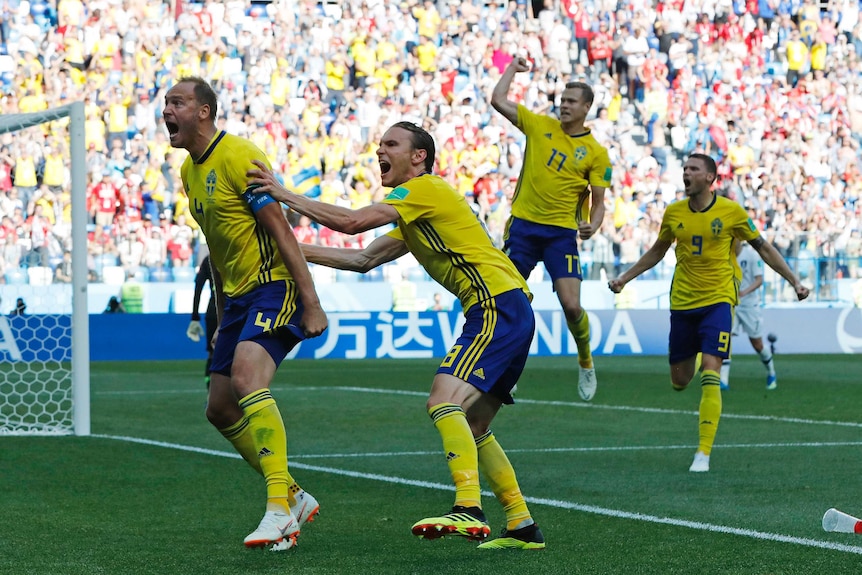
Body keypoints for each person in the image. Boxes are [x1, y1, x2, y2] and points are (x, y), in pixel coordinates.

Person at [247, 121, 545, 550]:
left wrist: (282, 193)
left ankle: (469, 508)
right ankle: (521, 525)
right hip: (508, 306)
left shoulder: (423, 189)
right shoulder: (417, 213)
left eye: (391, 144)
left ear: (418, 156)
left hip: (496, 305)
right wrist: (287, 251)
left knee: (443, 399)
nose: (379, 150)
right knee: (475, 422)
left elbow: (352, 223)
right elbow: (363, 259)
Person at [163, 76, 328, 551]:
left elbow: (281, 230)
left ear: (204, 112)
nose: (167, 110)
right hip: (236, 300)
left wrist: (310, 300)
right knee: (219, 408)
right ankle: (294, 495)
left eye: (177, 102)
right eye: (165, 103)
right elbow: (216, 249)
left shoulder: (240, 156)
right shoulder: (190, 173)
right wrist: (219, 320)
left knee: (248, 380)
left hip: (274, 286)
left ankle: (278, 507)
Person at [608, 154, 809, 473]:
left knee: (712, 371)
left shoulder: (732, 212)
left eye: (693, 169)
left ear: (710, 179)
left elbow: (764, 248)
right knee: (680, 380)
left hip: (719, 299)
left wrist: (794, 280)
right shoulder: (674, 212)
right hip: (683, 302)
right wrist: (624, 277)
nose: (686, 173)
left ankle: (703, 452)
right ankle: (699, 354)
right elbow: (658, 251)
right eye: (684, 168)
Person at [491, 56, 612, 403]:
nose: (564, 105)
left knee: (572, 306)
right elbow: (498, 101)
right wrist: (512, 69)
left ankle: (585, 360)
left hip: (560, 234)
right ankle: (506, 369)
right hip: (524, 227)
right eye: (562, 100)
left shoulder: (596, 154)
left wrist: (594, 224)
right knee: (507, 299)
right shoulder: (538, 124)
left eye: (572, 101)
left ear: (587, 107)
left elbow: (599, 201)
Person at [719, 241, 777, 391]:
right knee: (726, 338)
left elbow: (759, 280)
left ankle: (771, 373)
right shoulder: (726, 255)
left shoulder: (751, 255)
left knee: (757, 344)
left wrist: (744, 292)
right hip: (731, 304)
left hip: (749, 306)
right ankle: (723, 380)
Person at [187, 254, 217, 388]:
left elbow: (198, 287)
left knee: (213, 352)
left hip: (213, 311)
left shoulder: (208, 259)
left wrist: (195, 317)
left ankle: (211, 395)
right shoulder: (234, 253)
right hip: (234, 308)